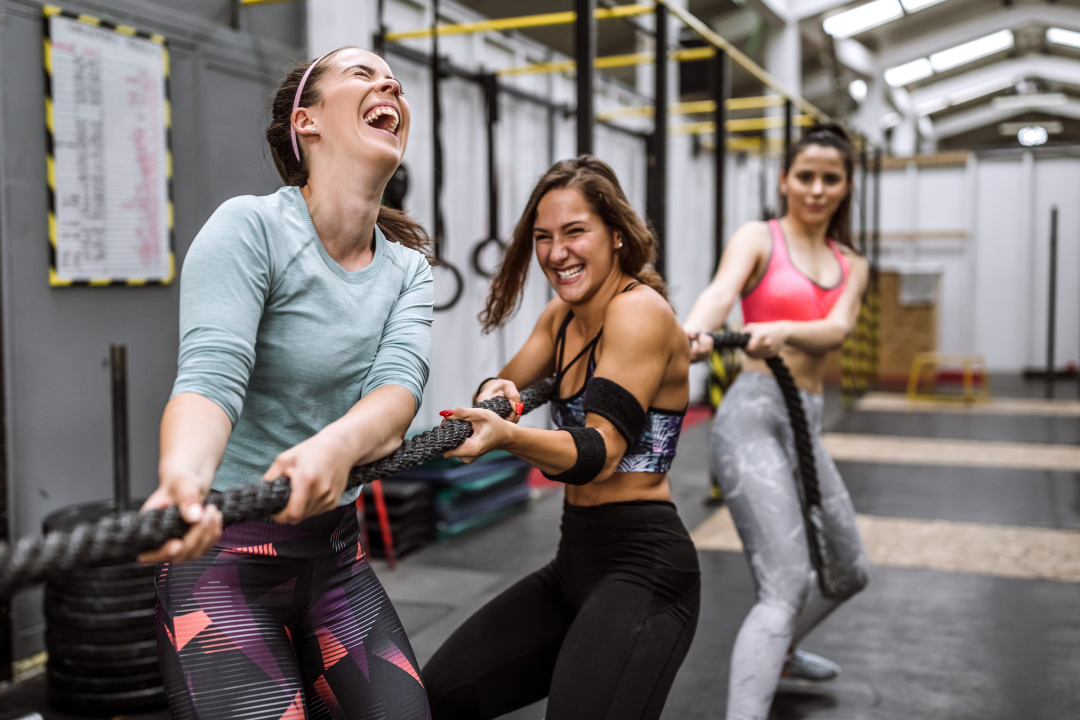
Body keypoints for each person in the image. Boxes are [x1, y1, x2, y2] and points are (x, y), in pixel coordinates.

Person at [137, 47, 434, 720]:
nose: (388, 82)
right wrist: (183, 478)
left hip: (336, 561)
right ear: (307, 121)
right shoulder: (251, 228)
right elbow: (211, 376)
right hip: (223, 567)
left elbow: (397, 394)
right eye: (362, 73)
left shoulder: (408, 271)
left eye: (392, 78)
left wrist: (337, 446)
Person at [421, 156, 698, 719]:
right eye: (543, 237)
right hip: (575, 558)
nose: (556, 252)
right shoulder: (563, 318)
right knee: (439, 697)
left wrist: (508, 436)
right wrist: (493, 391)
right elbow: (502, 391)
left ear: (616, 233)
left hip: (644, 565)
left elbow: (599, 453)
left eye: (575, 232)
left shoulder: (638, 313)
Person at [682, 123, 871, 720]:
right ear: (784, 180)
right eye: (805, 176)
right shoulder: (758, 237)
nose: (816, 189)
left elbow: (836, 329)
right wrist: (695, 332)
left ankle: (780, 652)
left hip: (804, 424)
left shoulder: (852, 263)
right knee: (786, 586)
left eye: (830, 179)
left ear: (845, 187)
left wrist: (781, 329)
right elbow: (721, 293)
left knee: (848, 571)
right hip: (753, 418)